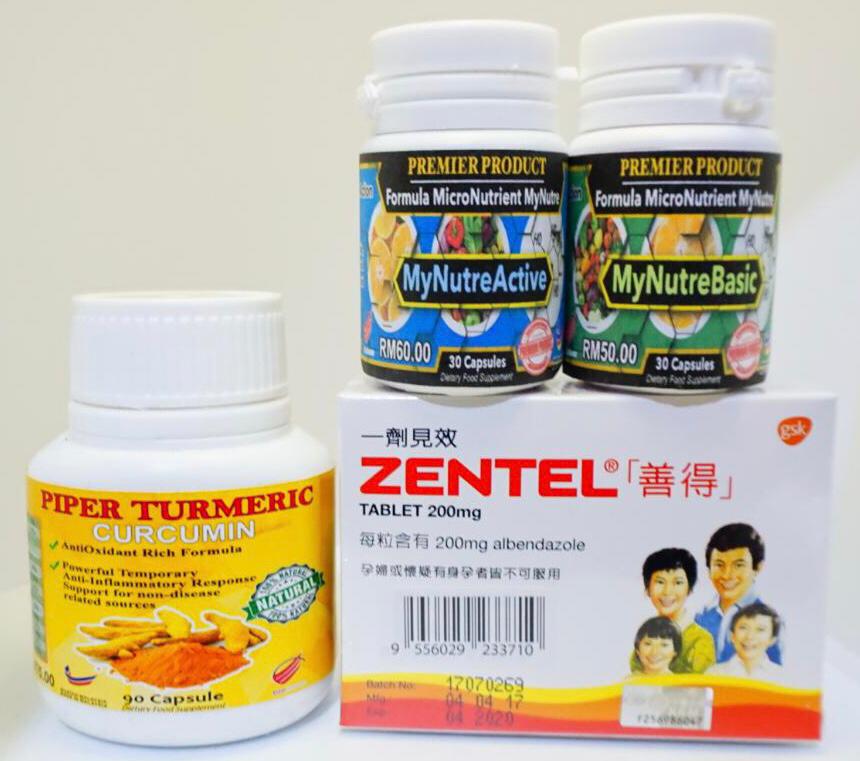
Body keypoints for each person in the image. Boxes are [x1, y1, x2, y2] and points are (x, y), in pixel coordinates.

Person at [695, 523, 782, 664]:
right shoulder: (701, 617)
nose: (727, 575)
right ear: (709, 569)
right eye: (719, 565)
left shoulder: (770, 621)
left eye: (739, 565)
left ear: (757, 568)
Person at [630, 548, 715, 674]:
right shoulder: (644, 637)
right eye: (660, 582)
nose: (668, 591)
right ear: (648, 589)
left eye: (678, 582)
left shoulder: (700, 641)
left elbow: (699, 684)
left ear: (689, 589)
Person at [707, 602, 782, 679]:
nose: (750, 636)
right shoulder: (714, 674)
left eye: (760, 629)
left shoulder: (782, 677)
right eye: (743, 628)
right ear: (732, 636)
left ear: (772, 640)